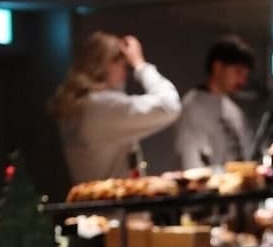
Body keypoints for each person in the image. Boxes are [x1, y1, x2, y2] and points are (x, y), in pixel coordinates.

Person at [50, 32, 180, 183]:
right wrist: (140, 65)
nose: (125, 72)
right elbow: (169, 106)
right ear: (107, 64)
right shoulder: (101, 107)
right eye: (122, 64)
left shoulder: (78, 105)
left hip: (93, 195)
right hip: (114, 197)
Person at [175, 36, 255, 170]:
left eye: (245, 75)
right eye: (238, 72)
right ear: (218, 67)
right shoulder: (192, 107)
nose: (242, 81)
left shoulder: (235, 112)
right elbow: (191, 165)